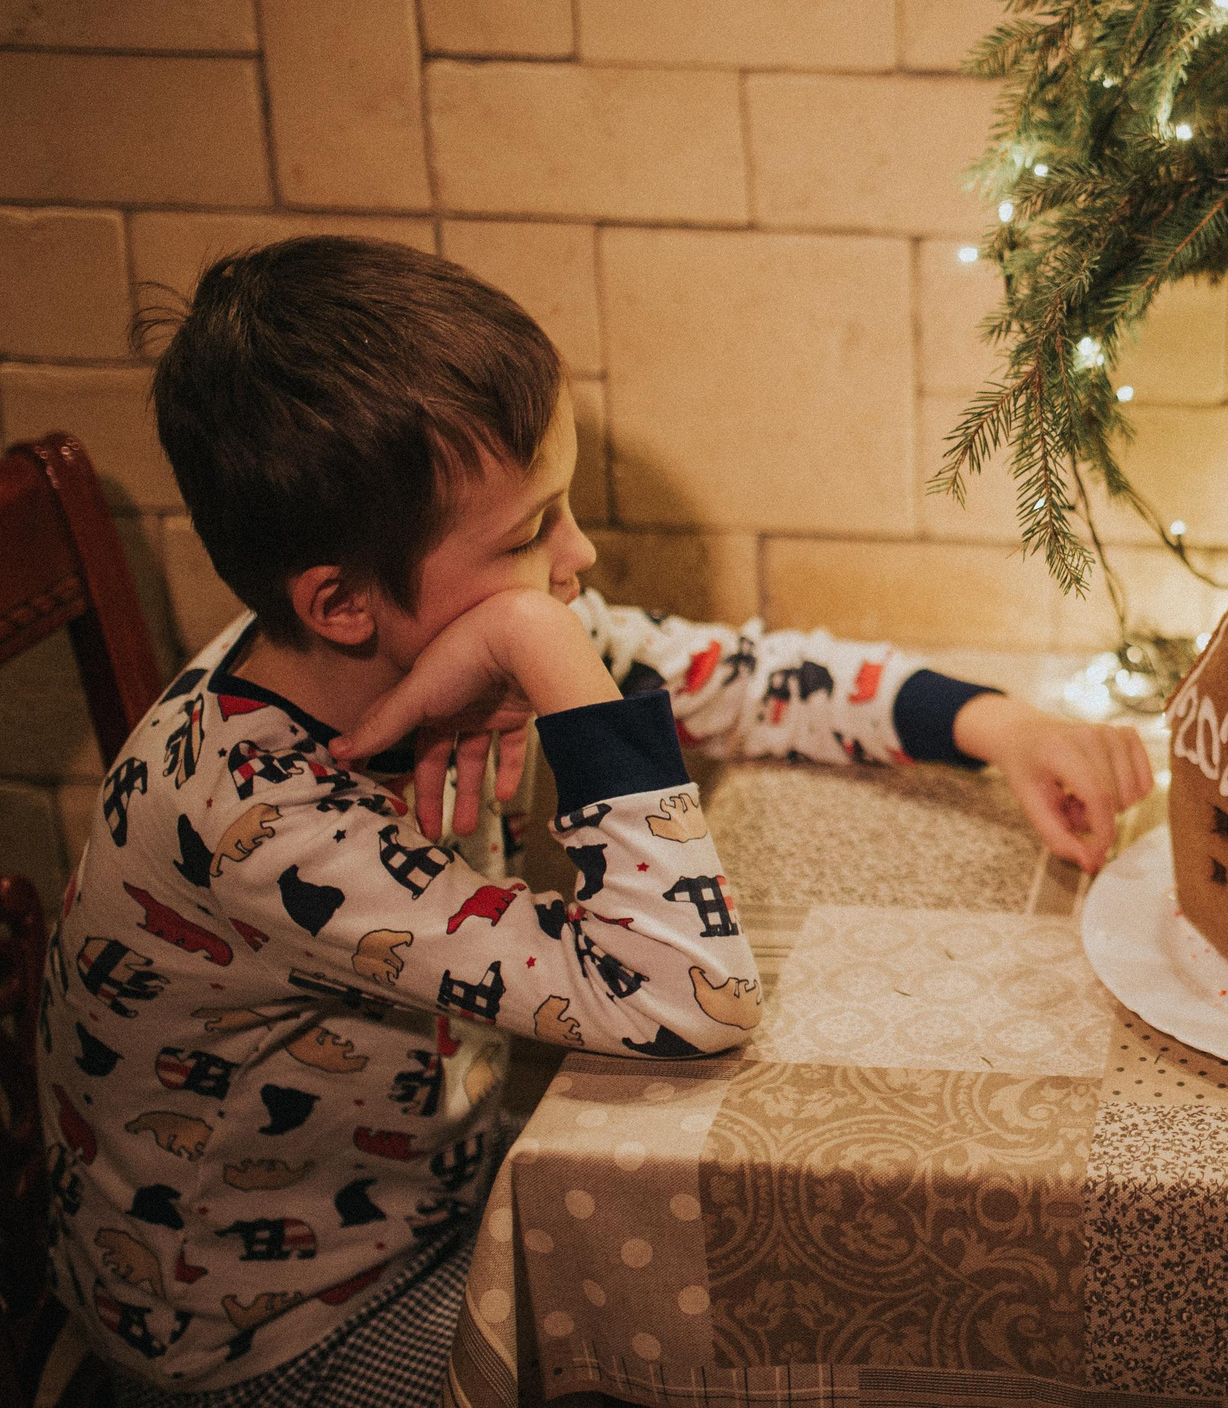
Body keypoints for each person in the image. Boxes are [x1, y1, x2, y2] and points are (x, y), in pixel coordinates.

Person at [39, 237, 1151, 1408]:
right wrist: (543, 647)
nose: (579, 558)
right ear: (341, 603)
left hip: (437, 1201)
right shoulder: (258, 818)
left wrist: (1001, 727)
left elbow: (744, 676)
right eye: (530, 534)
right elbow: (688, 1001)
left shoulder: (404, 645)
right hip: (270, 1337)